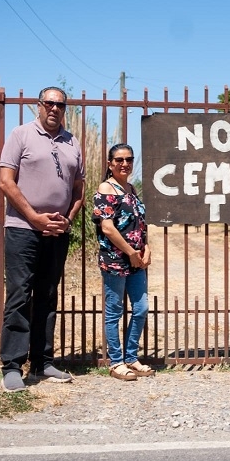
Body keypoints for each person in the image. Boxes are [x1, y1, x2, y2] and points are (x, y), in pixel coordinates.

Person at [0, 86, 85, 392]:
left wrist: (68, 219)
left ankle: (42, 361)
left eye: (60, 104)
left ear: (64, 109)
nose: (54, 108)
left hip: (57, 231)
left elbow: (78, 189)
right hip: (23, 229)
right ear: (39, 106)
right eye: (49, 103)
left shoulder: (72, 141)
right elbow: (5, 183)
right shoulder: (20, 135)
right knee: (20, 294)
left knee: (48, 295)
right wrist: (34, 217)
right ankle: (12, 365)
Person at [92, 143, 154, 381]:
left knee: (141, 308)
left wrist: (145, 247)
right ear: (110, 164)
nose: (124, 164)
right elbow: (107, 228)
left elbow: (140, 223)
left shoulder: (131, 188)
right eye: (119, 160)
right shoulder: (105, 189)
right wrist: (130, 252)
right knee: (114, 311)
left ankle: (131, 357)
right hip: (115, 260)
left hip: (136, 260)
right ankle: (116, 362)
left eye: (129, 159)